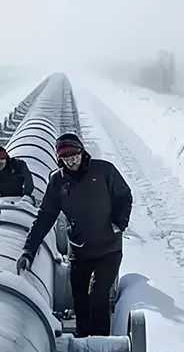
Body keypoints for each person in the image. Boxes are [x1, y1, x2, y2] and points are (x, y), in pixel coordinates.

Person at [16, 132, 132, 338]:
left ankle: (102, 344)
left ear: (82, 151)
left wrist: (119, 222)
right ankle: (83, 339)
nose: (71, 161)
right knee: (79, 299)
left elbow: (124, 195)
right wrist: (28, 251)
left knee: (98, 295)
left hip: (108, 248)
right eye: (65, 158)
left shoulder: (104, 170)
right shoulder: (57, 182)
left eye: (74, 155)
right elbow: (44, 218)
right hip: (79, 251)